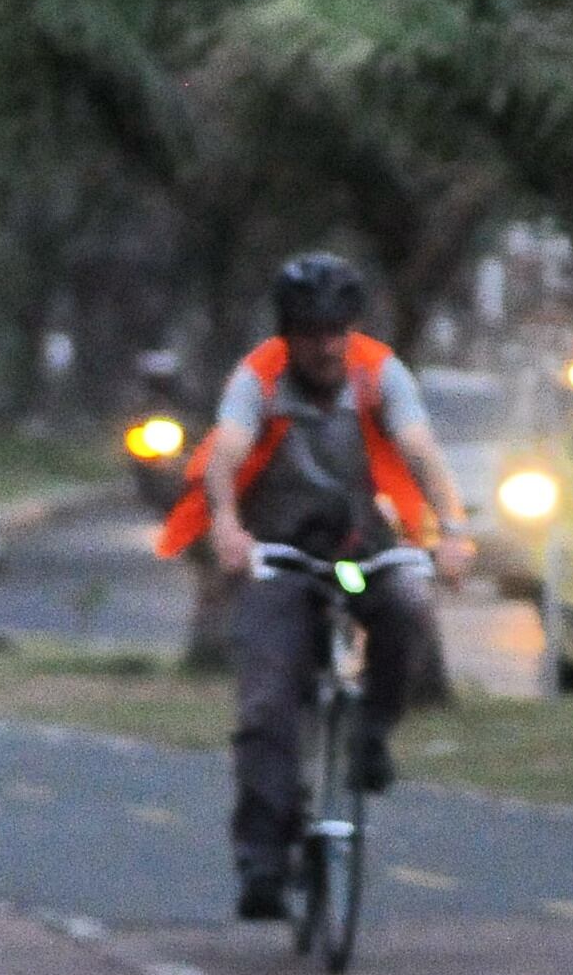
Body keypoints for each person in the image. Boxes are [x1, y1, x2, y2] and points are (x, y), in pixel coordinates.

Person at [156, 253, 476, 919]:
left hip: (362, 542)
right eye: (309, 331)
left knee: (405, 606)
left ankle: (373, 731)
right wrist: (227, 527)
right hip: (280, 550)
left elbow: (420, 449)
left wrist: (452, 528)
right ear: (287, 332)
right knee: (267, 702)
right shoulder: (259, 376)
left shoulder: (379, 372)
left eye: (337, 330)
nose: (325, 346)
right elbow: (227, 453)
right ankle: (264, 860)